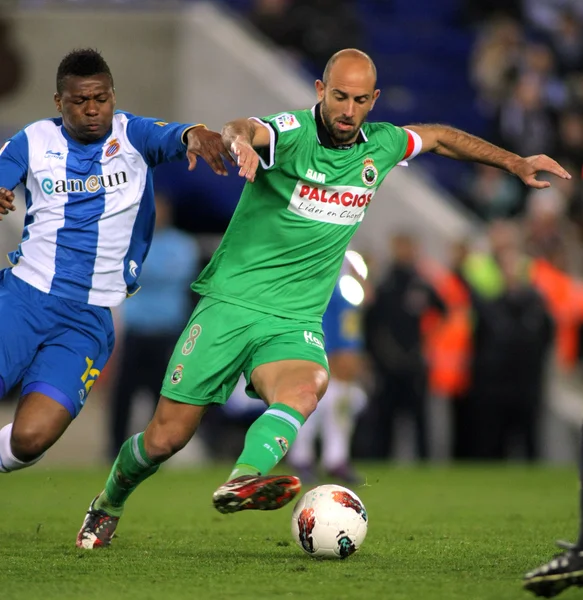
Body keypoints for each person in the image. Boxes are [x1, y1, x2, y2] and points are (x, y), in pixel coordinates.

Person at [76, 47, 570, 549]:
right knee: (165, 437)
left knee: (309, 385)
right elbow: (246, 127)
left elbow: (441, 138)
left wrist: (515, 161)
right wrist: (240, 142)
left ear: (374, 100)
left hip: (294, 319)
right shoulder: (292, 133)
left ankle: (244, 477)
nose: (347, 110)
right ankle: (108, 502)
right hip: (231, 304)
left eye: (359, 100)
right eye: (338, 96)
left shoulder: (380, 146)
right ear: (320, 90)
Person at [0, 49, 232, 474]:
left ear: (112, 96)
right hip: (22, 298)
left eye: (101, 99)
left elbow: (179, 134)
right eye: (80, 101)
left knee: (30, 440)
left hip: (87, 320)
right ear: (59, 102)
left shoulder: (133, 135)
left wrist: (198, 136)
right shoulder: (33, 140)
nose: (93, 109)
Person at [108, 192, 199, 460]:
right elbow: (122, 273)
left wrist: (141, 269)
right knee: (122, 395)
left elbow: (177, 272)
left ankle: (153, 451)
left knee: (163, 395)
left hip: (167, 332)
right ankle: (114, 450)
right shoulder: (131, 239)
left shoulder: (182, 244)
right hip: (136, 331)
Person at [364, 232, 446, 461]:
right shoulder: (384, 283)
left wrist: (427, 340)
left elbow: (443, 310)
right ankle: (381, 460)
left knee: (419, 418)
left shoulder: (420, 283)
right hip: (387, 362)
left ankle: (425, 461)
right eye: (400, 246)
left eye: (408, 246)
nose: (404, 252)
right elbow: (370, 323)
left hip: (414, 361)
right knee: (384, 418)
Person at [287, 272, 367, 483]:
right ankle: (302, 458)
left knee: (342, 399)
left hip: (334, 347)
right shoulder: (313, 276)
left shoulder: (343, 281)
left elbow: (349, 321)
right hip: (309, 344)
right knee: (309, 399)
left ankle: (335, 459)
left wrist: (350, 349)